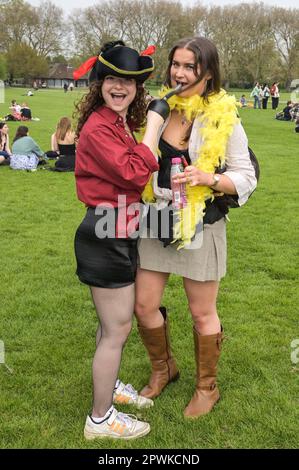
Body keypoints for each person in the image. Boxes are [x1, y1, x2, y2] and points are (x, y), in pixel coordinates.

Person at [131, 36, 257, 419]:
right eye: (176, 65)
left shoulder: (222, 115)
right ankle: (163, 368)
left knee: (202, 312)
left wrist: (208, 176)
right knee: (144, 304)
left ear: (208, 72)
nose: (180, 73)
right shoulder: (160, 109)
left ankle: (207, 387)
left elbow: (246, 177)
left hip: (201, 221)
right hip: (156, 216)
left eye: (190, 67)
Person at [73, 40, 167, 440]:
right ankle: (99, 418)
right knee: (117, 329)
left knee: (111, 325)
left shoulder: (117, 123)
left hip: (121, 226)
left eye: (128, 81)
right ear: (100, 82)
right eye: (112, 78)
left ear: (138, 88)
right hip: (105, 230)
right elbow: (132, 174)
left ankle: (108, 388)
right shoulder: (99, 126)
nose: (119, 87)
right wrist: (155, 130)